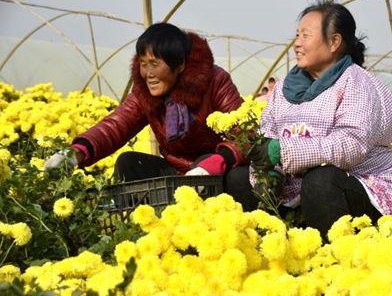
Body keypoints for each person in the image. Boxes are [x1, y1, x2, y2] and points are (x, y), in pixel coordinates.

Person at [225, 0, 392, 237]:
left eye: (305, 36)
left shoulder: (356, 83)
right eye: (296, 35)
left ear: (334, 42)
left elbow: (351, 145)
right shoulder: (286, 87)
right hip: (298, 186)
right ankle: (269, 252)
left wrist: (282, 150)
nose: (297, 43)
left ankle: (333, 259)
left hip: (361, 183)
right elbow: (268, 133)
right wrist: (269, 166)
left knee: (321, 180)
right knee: (238, 179)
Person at [44, 23, 245, 181]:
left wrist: (216, 163)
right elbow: (117, 124)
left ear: (181, 65)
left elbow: (245, 135)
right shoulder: (145, 93)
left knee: (237, 177)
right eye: (143, 64)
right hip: (178, 172)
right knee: (129, 162)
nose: (148, 74)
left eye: (155, 64)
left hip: (216, 171)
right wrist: (77, 152)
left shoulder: (215, 81)